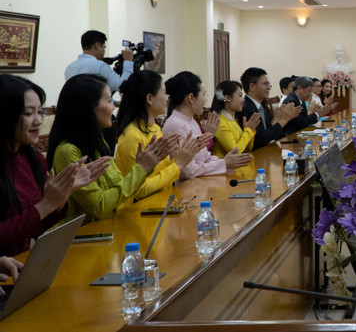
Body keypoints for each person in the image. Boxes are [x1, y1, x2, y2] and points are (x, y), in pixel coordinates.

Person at [0, 75, 107, 256]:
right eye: (28, 113)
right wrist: (46, 204)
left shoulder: (33, 159)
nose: (39, 121)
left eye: (39, 112)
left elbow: (38, 226)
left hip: (24, 264)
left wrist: (60, 199)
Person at [48, 74, 171, 223]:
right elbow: (100, 207)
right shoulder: (68, 152)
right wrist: (141, 169)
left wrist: (142, 168)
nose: (113, 107)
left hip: (113, 225)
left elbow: (122, 195)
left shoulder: (97, 143)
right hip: (85, 237)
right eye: (109, 101)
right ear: (88, 106)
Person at [115, 71, 206, 202]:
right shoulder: (132, 136)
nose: (167, 97)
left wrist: (180, 159)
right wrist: (178, 164)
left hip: (162, 203)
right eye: (164, 92)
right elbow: (139, 190)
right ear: (149, 98)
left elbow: (162, 175)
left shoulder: (155, 128)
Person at [162, 71, 252, 178]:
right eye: (203, 95)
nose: (205, 100)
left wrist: (225, 163)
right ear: (191, 98)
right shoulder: (176, 124)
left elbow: (205, 157)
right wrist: (223, 164)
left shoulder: (191, 121)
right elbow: (186, 171)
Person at [240, 67, 300, 150]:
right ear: (252, 86)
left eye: (269, 84)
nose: (269, 87)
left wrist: (278, 119)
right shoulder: (246, 108)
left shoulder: (260, 106)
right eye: (265, 84)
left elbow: (269, 132)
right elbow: (262, 139)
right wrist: (283, 120)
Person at [64, 30, 134, 92]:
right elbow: (122, 86)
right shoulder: (99, 66)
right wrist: (128, 61)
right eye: (104, 47)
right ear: (97, 45)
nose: (104, 51)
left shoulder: (69, 68)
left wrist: (113, 102)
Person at [210, 80, 259, 158]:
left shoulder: (233, 119)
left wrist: (250, 130)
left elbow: (247, 149)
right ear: (228, 98)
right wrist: (248, 130)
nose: (243, 99)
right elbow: (235, 152)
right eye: (240, 96)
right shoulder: (219, 121)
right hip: (223, 167)